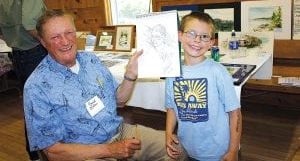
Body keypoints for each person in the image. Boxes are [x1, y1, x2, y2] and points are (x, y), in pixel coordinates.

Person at [23, 9, 187, 161]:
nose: (65, 41)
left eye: (68, 33)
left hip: (119, 132)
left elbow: (119, 100)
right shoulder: (36, 86)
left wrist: (130, 75)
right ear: (43, 42)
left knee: (179, 150)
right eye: (55, 37)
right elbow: (52, 152)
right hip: (85, 152)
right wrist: (110, 150)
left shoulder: (91, 60)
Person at [165, 12, 242, 161]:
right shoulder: (172, 73)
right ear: (180, 35)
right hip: (188, 147)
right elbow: (171, 108)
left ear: (211, 42)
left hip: (218, 151)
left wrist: (233, 151)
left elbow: (235, 114)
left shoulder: (218, 72)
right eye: (191, 33)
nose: (197, 40)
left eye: (204, 36)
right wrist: (168, 133)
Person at [0, 0, 57, 160]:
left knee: (31, 106)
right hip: (35, 53)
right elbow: (32, 25)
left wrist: (13, 40)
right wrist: (51, 45)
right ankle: (51, 153)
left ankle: (34, 154)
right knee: (49, 104)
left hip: (18, 55)